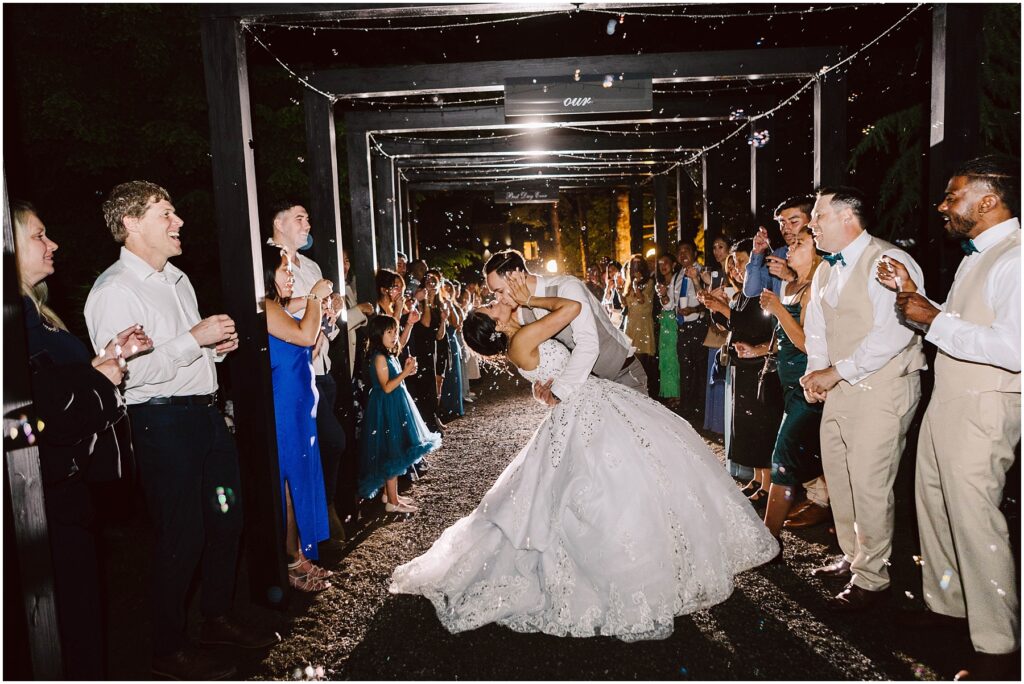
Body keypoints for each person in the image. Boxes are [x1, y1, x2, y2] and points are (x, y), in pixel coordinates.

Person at [392, 271, 778, 640]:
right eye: (491, 310)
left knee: (626, 478)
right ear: (494, 328)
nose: (496, 303)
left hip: (589, 401)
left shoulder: (521, 339)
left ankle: (661, 561)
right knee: (607, 486)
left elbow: (553, 359)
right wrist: (532, 298)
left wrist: (546, 378)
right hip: (584, 407)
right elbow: (571, 311)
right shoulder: (521, 338)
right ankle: (632, 570)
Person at [85, 181, 276, 680]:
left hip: (205, 417)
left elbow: (181, 352)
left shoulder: (178, 279)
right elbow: (127, 375)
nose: (179, 222)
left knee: (227, 517)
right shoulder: (113, 291)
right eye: (165, 214)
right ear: (131, 224)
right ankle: (167, 648)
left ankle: (216, 617)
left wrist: (213, 350)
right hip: (162, 423)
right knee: (182, 534)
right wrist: (194, 340)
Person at [877, 156, 1020, 680]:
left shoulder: (1016, 258)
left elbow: (1014, 348)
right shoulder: (977, 255)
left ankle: (998, 648)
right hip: (951, 398)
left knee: (975, 519)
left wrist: (933, 319)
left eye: (952, 195)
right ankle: (948, 611)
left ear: (987, 201)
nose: (941, 205)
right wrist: (914, 301)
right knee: (934, 508)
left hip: (986, 402)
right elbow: (963, 325)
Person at [15, 201, 153, 679]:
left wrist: (107, 358)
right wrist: (103, 379)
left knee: (80, 612)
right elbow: (46, 411)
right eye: (39, 235)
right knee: (65, 622)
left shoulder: (38, 314)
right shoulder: (16, 326)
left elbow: (60, 386)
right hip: (43, 494)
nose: (52, 244)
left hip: (68, 489)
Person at [799, 186, 926, 611]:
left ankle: (873, 578)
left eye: (817, 216)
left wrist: (834, 373)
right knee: (839, 474)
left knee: (870, 481)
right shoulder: (823, 271)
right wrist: (815, 373)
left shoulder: (889, 261)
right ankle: (854, 555)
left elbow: (894, 332)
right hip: (840, 386)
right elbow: (818, 329)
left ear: (847, 218)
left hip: (885, 385)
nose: (811, 224)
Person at [270, 201, 347, 543]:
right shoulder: (268, 263)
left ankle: (315, 520)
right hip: (292, 373)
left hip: (321, 369)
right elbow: (268, 309)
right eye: (299, 218)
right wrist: (311, 304)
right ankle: (317, 519)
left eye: (308, 217)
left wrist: (331, 319)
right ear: (278, 222)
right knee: (325, 444)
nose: (307, 223)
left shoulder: (313, 266)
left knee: (323, 448)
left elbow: (324, 324)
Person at [484, 249, 647, 405]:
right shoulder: (522, 314)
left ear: (515, 276)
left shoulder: (566, 287)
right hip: (588, 390)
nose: (498, 299)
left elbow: (588, 344)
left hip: (622, 376)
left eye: (499, 291)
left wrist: (558, 392)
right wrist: (541, 384)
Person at [261, 243, 333, 592]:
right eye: (285, 269)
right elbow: (304, 333)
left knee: (300, 480)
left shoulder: (278, 307)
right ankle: (291, 562)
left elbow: (308, 337)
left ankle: (298, 554)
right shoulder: (263, 307)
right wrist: (316, 299)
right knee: (288, 486)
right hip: (283, 409)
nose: (292, 275)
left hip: (299, 406)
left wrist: (316, 309)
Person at [757, 227, 830, 552]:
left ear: (816, 253)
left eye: (799, 244)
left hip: (807, 385)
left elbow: (805, 344)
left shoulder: (816, 289)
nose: (790, 249)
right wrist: (760, 351)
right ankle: (829, 507)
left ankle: (768, 540)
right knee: (811, 454)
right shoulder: (789, 285)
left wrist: (779, 310)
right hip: (786, 384)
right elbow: (784, 339)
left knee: (782, 455)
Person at [700, 239, 783, 505]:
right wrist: (716, 308)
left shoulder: (761, 292)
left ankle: (767, 486)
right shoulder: (744, 295)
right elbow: (732, 325)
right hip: (742, 362)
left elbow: (754, 326)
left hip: (759, 365)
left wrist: (721, 308)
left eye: (742, 262)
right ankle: (758, 479)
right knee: (747, 426)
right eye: (734, 263)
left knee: (760, 426)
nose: (736, 268)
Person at [358, 315, 442, 513]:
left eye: (395, 331)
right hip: (386, 408)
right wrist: (405, 373)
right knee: (391, 452)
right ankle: (392, 503)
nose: (395, 336)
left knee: (393, 450)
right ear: (379, 334)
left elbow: (401, 345)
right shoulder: (379, 357)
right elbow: (386, 387)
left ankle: (390, 495)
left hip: (394, 404)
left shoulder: (388, 354)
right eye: (390, 332)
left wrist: (406, 370)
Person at [667, 240, 707, 420]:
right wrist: (663, 297)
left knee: (699, 369)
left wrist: (694, 309)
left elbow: (709, 302)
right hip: (682, 328)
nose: (683, 254)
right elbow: (670, 304)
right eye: (680, 251)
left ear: (694, 253)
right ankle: (686, 409)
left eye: (687, 251)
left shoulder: (703, 272)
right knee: (685, 369)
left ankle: (699, 409)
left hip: (698, 327)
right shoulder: (677, 277)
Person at [744, 196, 811, 297]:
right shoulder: (779, 255)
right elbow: (751, 291)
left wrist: (790, 277)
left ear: (811, 221)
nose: (786, 228)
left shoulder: (820, 253)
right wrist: (757, 253)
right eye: (782, 223)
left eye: (793, 222)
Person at [702, 236, 733, 435]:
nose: (717, 251)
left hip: (730, 328)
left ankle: (725, 424)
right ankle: (715, 423)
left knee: (725, 376)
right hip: (715, 329)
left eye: (721, 247)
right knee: (715, 375)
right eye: (714, 247)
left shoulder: (733, 273)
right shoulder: (714, 275)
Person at [619, 253, 657, 393]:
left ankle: (645, 392)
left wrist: (635, 286)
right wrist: (620, 291)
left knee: (641, 363)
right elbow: (626, 305)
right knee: (630, 361)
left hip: (642, 325)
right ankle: (635, 392)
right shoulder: (628, 283)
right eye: (633, 265)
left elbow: (642, 301)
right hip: (631, 324)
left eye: (639, 264)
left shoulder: (649, 282)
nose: (636, 268)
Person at [654, 254, 680, 407]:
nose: (663, 266)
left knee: (673, 359)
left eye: (666, 263)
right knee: (666, 358)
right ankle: (669, 393)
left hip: (673, 323)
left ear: (673, 264)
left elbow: (671, 305)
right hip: (664, 324)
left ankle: (676, 394)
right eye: (660, 263)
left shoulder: (678, 281)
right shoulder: (662, 283)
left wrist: (664, 295)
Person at [439, 279, 466, 420]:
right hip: (441, 341)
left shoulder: (450, 304)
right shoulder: (437, 303)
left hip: (451, 340)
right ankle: (443, 406)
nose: (448, 291)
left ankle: (454, 407)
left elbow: (456, 323)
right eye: (445, 288)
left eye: (450, 289)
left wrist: (450, 307)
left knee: (454, 375)